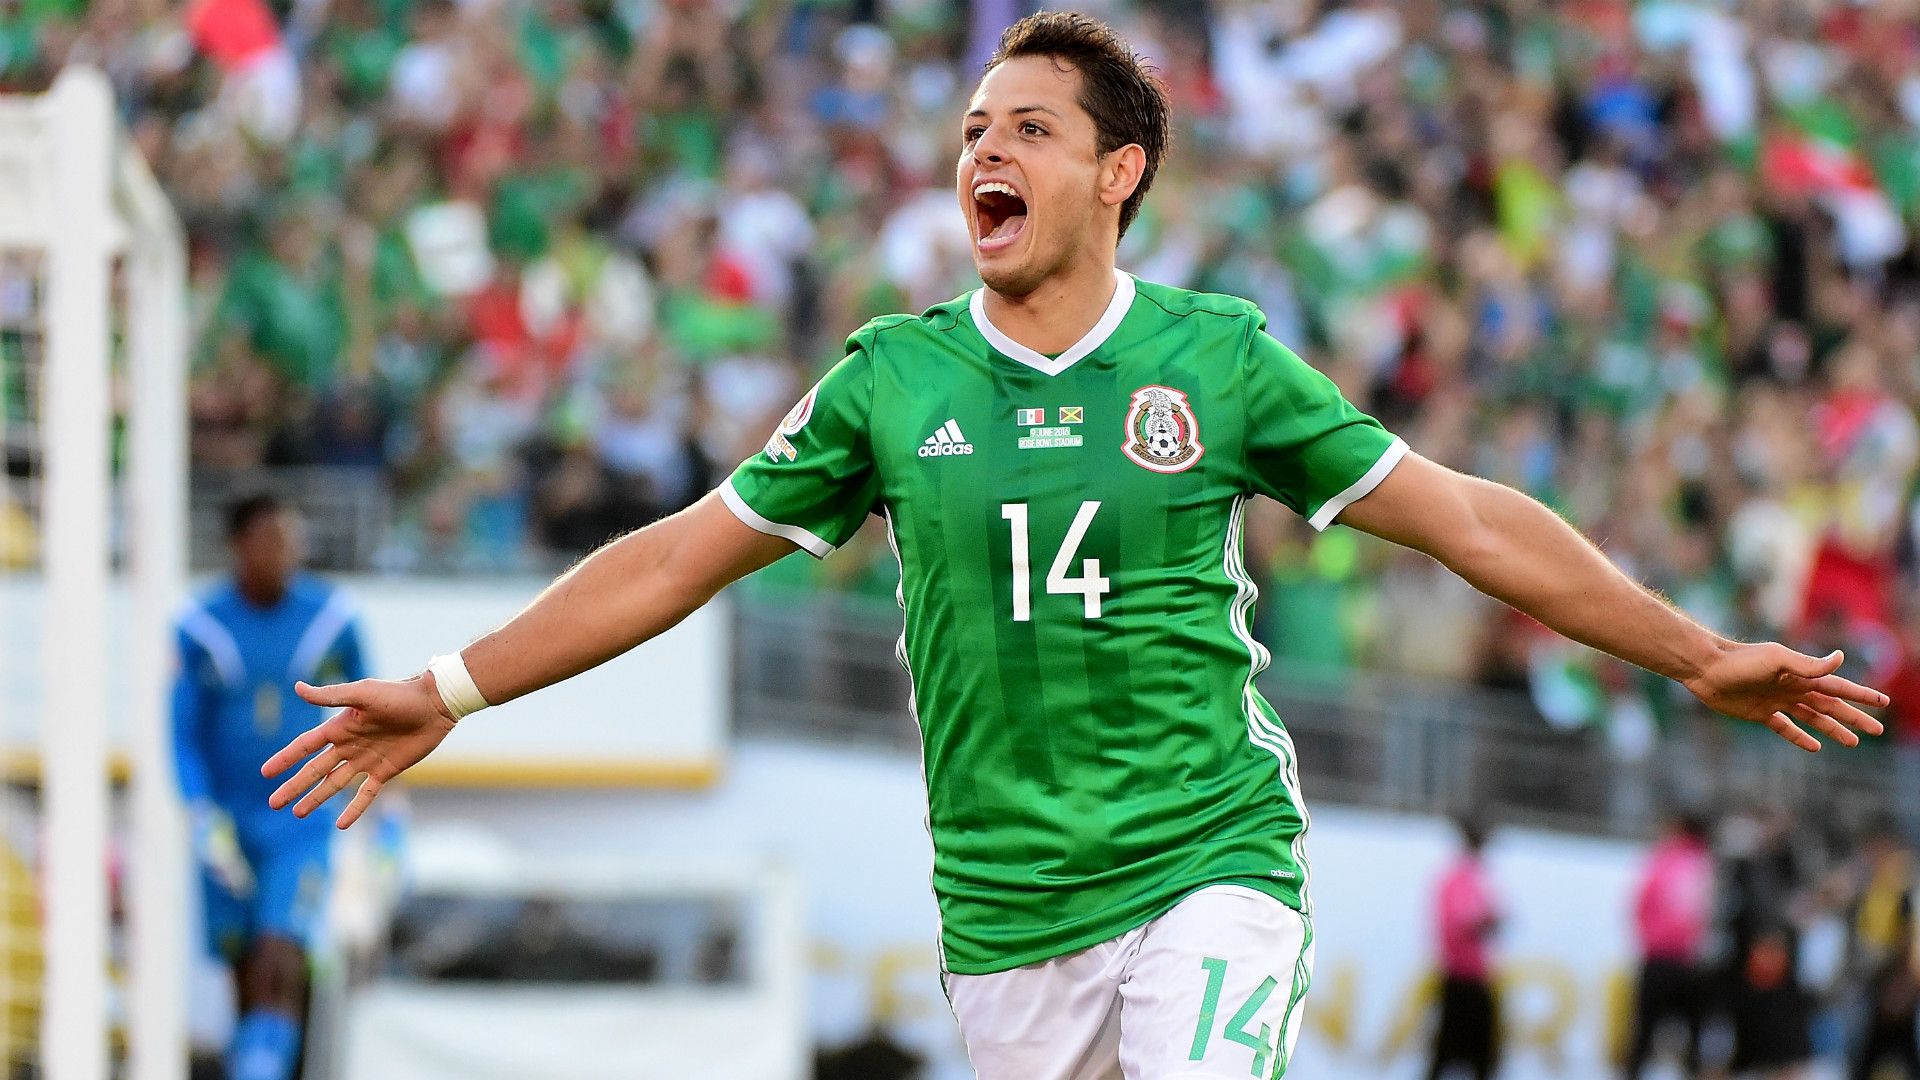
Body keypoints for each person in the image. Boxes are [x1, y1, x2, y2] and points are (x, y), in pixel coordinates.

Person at [260, 13, 1888, 1077]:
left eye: (1027, 127)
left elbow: (1463, 517)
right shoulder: (889, 383)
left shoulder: (1220, 360)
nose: (984, 150)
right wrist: (452, 687)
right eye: (973, 126)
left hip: (1209, 859)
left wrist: (1691, 652)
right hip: (1009, 908)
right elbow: (676, 556)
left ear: (1119, 174)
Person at [174, 493, 368, 1080]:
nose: (286, 553)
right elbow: (182, 733)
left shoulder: (332, 618)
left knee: (280, 958)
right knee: (243, 974)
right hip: (228, 826)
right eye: (272, 541)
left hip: (300, 819)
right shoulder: (200, 627)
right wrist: (199, 812)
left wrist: (381, 806)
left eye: (292, 540)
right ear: (239, 546)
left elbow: (367, 709)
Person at [1625, 812, 1716, 1078]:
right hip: (1694, 961)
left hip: (1661, 957)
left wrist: (1651, 939)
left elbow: (1641, 904)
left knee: (1643, 1032)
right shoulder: (1707, 864)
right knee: (1695, 1037)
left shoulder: (1663, 859)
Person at [1428, 816, 1501, 1080]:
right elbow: (1463, 925)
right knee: (1455, 1053)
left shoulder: (1473, 875)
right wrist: (1489, 922)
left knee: (1469, 1054)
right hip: (1462, 977)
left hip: (1472, 976)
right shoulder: (1461, 877)